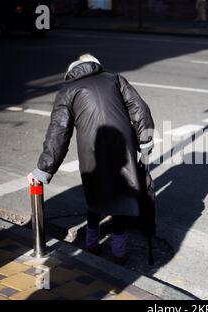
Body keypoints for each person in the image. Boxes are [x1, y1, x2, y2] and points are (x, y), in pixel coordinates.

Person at [28, 54, 155, 265]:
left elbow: (58, 131)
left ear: (71, 71)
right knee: (122, 196)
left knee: (96, 194)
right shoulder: (115, 79)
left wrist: (44, 168)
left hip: (91, 149)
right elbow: (139, 107)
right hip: (123, 144)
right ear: (96, 65)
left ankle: (92, 243)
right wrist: (145, 141)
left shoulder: (67, 91)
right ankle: (119, 252)